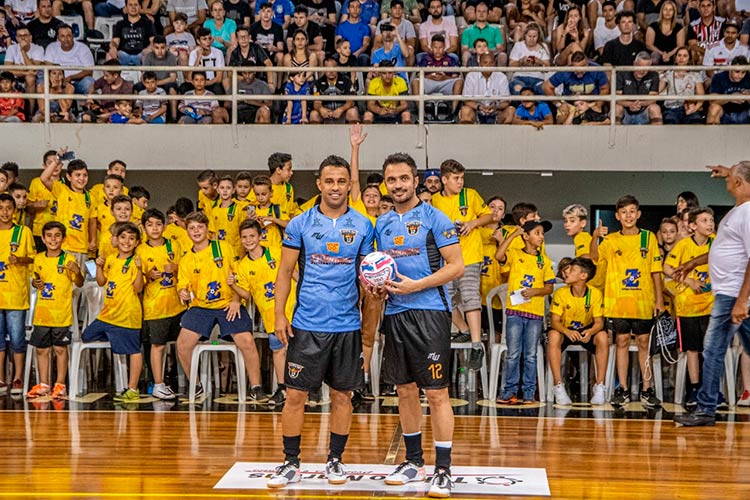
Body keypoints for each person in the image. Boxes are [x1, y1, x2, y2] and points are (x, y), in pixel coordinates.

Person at [267, 154, 374, 488]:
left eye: (342, 181)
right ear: (319, 184)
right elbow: (284, 272)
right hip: (307, 324)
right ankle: (290, 462)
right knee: (295, 396)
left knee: (343, 397)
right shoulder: (300, 223)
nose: (335, 187)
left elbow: (367, 275)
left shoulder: (362, 225)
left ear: (349, 184)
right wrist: (279, 314)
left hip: (346, 326)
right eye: (329, 181)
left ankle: (335, 460)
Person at [362, 152, 463, 498]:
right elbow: (379, 268)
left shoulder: (436, 218)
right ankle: (414, 462)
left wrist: (415, 286)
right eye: (391, 180)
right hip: (395, 314)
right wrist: (376, 286)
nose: (398, 185)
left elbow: (456, 267)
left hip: (430, 312)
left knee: (436, 393)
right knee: (404, 390)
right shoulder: (382, 224)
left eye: (403, 178)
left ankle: (444, 469)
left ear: (415, 180)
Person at [673, 162, 750, 426]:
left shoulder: (747, 213)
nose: (727, 182)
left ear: (738, 183)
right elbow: (726, 249)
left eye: (731, 178)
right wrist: (693, 263)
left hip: (734, 294)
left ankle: (705, 408)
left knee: (713, 348)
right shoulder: (738, 211)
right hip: (731, 293)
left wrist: (741, 301)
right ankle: (705, 407)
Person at [175, 211, 267, 402]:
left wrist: (235, 300)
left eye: (200, 227)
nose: (196, 231)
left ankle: (256, 387)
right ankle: (197, 385)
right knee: (182, 344)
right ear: (187, 231)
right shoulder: (185, 259)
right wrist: (182, 293)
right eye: (192, 228)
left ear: (207, 229)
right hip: (201, 307)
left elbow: (238, 276)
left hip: (228, 303)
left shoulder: (223, 248)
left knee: (246, 341)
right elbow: (182, 286)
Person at [590, 195, 664, 408]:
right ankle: (621, 389)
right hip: (617, 302)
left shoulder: (647, 237)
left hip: (643, 301)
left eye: (632, 211)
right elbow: (595, 257)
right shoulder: (611, 239)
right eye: (624, 212)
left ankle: (646, 389)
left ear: (638, 214)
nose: (628, 216)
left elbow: (656, 270)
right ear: (617, 216)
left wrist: (659, 299)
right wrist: (595, 236)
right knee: (621, 342)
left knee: (643, 344)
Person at [431, 158, 494, 370]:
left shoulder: (470, 195)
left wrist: (472, 223)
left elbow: (488, 215)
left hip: (470, 256)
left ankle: (476, 344)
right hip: (446, 259)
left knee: (469, 297)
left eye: (462, 178)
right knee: (444, 299)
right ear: (444, 180)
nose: (460, 182)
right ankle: (463, 328)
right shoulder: (434, 201)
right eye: (456, 178)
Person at [230, 219, 295, 407]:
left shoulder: (276, 252)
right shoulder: (243, 266)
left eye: (252, 236)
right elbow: (247, 295)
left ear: (260, 236)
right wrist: (232, 284)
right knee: (278, 350)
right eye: (244, 237)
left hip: (292, 308)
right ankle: (283, 388)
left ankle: (308, 388)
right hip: (271, 316)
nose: (248, 240)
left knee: (299, 349)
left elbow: (294, 273)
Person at [82, 222, 145, 402]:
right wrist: (99, 267)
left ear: (137, 242)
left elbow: (138, 288)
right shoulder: (110, 258)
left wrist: (140, 270)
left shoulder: (135, 261)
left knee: (133, 350)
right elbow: (101, 282)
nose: (127, 241)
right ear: (116, 240)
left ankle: (132, 388)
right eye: (123, 237)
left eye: (131, 238)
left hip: (128, 314)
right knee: (87, 336)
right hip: (108, 314)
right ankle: (116, 337)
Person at [494, 219, 555, 404]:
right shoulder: (514, 254)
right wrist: (513, 235)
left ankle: (529, 392)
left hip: (535, 313)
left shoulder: (543, 261)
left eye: (542, 233)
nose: (541, 237)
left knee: (530, 354)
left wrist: (535, 291)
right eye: (537, 233)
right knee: (513, 353)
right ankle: (509, 391)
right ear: (526, 236)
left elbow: (549, 288)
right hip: (515, 311)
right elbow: (498, 256)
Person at [25, 221, 84, 399]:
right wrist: (35, 283)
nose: (53, 239)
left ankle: (60, 384)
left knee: (60, 349)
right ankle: (43, 383)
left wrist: (78, 271)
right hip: (42, 315)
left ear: (63, 238)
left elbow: (79, 282)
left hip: (61, 314)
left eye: (57, 236)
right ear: (43, 238)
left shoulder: (68, 259)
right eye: (49, 236)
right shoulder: (39, 259)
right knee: (42, 349)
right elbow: (36, 281)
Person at [663, 207, 715, 409]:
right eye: (704, 220)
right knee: (692, 350)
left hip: (712, 305)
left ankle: (710, 389)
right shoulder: (684, 245)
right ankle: (694, 388)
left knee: (710, 349)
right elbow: (667, 268)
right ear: (693, 226)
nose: (710, 224)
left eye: (711, 220)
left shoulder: (716, 242)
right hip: (688, 307)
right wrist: (690, 280)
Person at [136, 208, 185, 401]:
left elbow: (187, 271)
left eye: (158, 224)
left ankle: (187, 381)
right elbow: (137, 281)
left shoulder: (174, 245)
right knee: (157, 345)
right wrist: (148, 275)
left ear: (164, 226)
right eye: (150, 225)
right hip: (154, 307)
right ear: (144, 228)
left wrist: (176, 268)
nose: (154, 228)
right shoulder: (140, 249)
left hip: (177, 305)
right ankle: (158, 384)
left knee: (182, 344)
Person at [548, 257, 609, 405]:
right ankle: (558, 386)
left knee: (602, 336)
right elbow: (555, 322)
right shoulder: (561, 293)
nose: (567, 272)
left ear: (583, 276)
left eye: (573, 269)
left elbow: (599, 323)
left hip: (586, 329)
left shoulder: (594, 294)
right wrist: (567, 332)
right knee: (553, 335)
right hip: (565, 329)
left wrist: (590, 332)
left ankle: (600, 386)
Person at [0, 193, 35, 395]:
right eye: (1, 208)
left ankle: (18, 377)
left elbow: (32, 259)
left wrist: (19, 260)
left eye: (8, 208)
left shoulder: (23, 232)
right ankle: (1, 378)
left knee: (16, 339)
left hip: (15, 294)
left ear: (15, 210)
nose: (4, 212)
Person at [39, 159, 93, 267]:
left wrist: (93, 241)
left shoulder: (90, 197)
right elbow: (44, 178)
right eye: (78, 175)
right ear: (69, 177)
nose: (81, 178)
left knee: (78, 281)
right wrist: (57, 160)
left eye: (85, 175)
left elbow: (92, 221)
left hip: (81, 248)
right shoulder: (61, 190)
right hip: (63, 246)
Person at [542, 51, 610, 124]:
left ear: (587, 64)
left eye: (581, 69)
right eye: (576, 70)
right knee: (561, 118)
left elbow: (605, 88)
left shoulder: (596, 69)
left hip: (590, 103)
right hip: (570, 103)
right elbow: (546, 86)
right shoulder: (566, 72)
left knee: (596, 119)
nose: (578, 72)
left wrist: (598, 104)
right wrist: (559, 104)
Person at [459, 52, 514, 124]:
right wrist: (479, 107)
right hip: (476, 111)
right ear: (480, 64)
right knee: (465, 110)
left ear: (494, 64)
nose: (488, 66)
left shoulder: (501, 77)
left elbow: (506, 102)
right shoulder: (471, 76)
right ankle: (469, 134)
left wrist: (496, 106)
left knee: (511, 111)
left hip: (496, 112)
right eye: (485, 63)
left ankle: (503, 135)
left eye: (491, 63)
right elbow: (466, 100)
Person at [43, 24, 94, 94]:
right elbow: (48, 66)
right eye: (62, 36)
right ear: (58, 37)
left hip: (77, 82)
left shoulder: (83, 48)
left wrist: (71, 78)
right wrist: (60, 79)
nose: (66, 39)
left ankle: (89, 103)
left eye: (69, 36)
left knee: (89, 82)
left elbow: (89, 71)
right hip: (57, 82)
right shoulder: (52, 47)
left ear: (73, 36)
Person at [659, 46, 705, 124]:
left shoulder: (695, 75)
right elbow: (659, 92)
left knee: (696, 122)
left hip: (689, 107)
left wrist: (694, 109)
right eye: (679, 55)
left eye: (685, 56)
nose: (681, 58)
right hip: (671, 108)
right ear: (675, 58)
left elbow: (701, 96)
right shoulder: (668, 73)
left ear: (689, 59)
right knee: (670, 121)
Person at [615, 51, 663, 125]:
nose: (642, 71)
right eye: (639, 66)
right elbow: (616, 98)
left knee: (655, 108)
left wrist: (640, 104)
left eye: (645, 68)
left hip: (644, 111)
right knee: (616, 108)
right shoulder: (622, 73)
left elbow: (653, 99)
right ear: (634, 63)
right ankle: (615, 135)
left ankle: (656, 136)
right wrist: (630, 104)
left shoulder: (654, 75)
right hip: (625, 111)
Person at [310, 57, 360, 124]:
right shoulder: (318, 83)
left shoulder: (346, 81)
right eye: (328, 68)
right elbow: (316, 103)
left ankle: (354, 134)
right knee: (314, 114)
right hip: (325, 111)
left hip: (342, 111)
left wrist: (340, 110)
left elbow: (350, 102)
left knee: (353, 112)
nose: (331, 71)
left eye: (334, 68)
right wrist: (321, 109)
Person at [208, 175, 248, 256]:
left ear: (233, 190)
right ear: (218, 190)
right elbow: (213, 234)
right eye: (222, 188)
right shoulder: (214, 210)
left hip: (236, 251)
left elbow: (245, 231)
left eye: (228, 188)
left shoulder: (239, 209)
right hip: (220, 252)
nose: (225, 191)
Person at [107, 0, 156, 66]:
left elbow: (153, 41)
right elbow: (115, 41)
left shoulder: (148, 23)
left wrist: (148, 49)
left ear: (140, 7)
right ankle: (112, 76)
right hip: (123, 55)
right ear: (126, 7)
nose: (133, 7)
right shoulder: (120, 24)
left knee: (149, 55)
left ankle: (145, 76)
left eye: (136, 5)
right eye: (130, 5)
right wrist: (113, 47)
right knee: (109, 55)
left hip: (141, 55)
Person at [508, 23, 551, 95]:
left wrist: (539, 62)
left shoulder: (543, 46)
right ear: (525, 35)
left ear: (538, 37)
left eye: (534, 36)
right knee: (518, 89)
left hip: (537, 78)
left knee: (543, 91)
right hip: (520, 77)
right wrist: (521, 62)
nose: (531, 39)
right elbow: (511, 65)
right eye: (529, 36)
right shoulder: (518, 45)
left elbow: (548, 67)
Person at [707, 55, 750, 124]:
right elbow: (712, 101)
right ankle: (712, 134)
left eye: (743, 72)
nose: (740, 75)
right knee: (714, 108)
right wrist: (730, 98)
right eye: (737, 71)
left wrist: (748, 97)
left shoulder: (748, 77)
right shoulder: (719, 77)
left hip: (744, 114)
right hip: (725, 114)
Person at [460, 1, 506, 66]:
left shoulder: (495, 30)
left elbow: (500, 48)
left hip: (491, 55)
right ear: (475, 13)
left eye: (484, 11)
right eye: (479, 11)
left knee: (502, 55)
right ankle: (469, 76)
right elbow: (464, 49)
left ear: (488, 13)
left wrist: (487, 51)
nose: (481, 14)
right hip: (474, 55)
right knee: (465, 55)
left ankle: (499, 76)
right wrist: (477, 51)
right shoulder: (467, 31)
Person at [187, 27, 225, 95]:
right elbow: (189, 78)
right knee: (184, 87)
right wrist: (198, 58)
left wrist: (203, 84)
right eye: (204, 39)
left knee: (218, 89)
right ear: (198, 41)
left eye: (209, 38)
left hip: (212, 83)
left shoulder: (218, 53)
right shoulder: (193, 54)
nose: (208, 41)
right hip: (197, 84)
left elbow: (219, 78)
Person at [335, 0, 372, 66]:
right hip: (343, 53)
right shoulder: (341, 26)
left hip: (359, 54)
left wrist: (355, 54)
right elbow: (337, 44)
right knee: (333, 58)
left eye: (357, 7)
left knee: (364, 58)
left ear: (360, 10)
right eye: (352, 7)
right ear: (348, 10)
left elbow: (365, 45)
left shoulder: (365, 26)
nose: (355, 9)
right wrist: (345, 53)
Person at [250, 3, 285, 67]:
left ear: (272, 13)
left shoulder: (278, 28)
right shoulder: (253, 27)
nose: (266, 14)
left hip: (271, 54)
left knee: (280, 56)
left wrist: (274, 49)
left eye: (268, 11)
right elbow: (249, 42)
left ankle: (279, 77)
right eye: (263, 11)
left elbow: (280, 47)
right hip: (257, 55)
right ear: (259, 13)